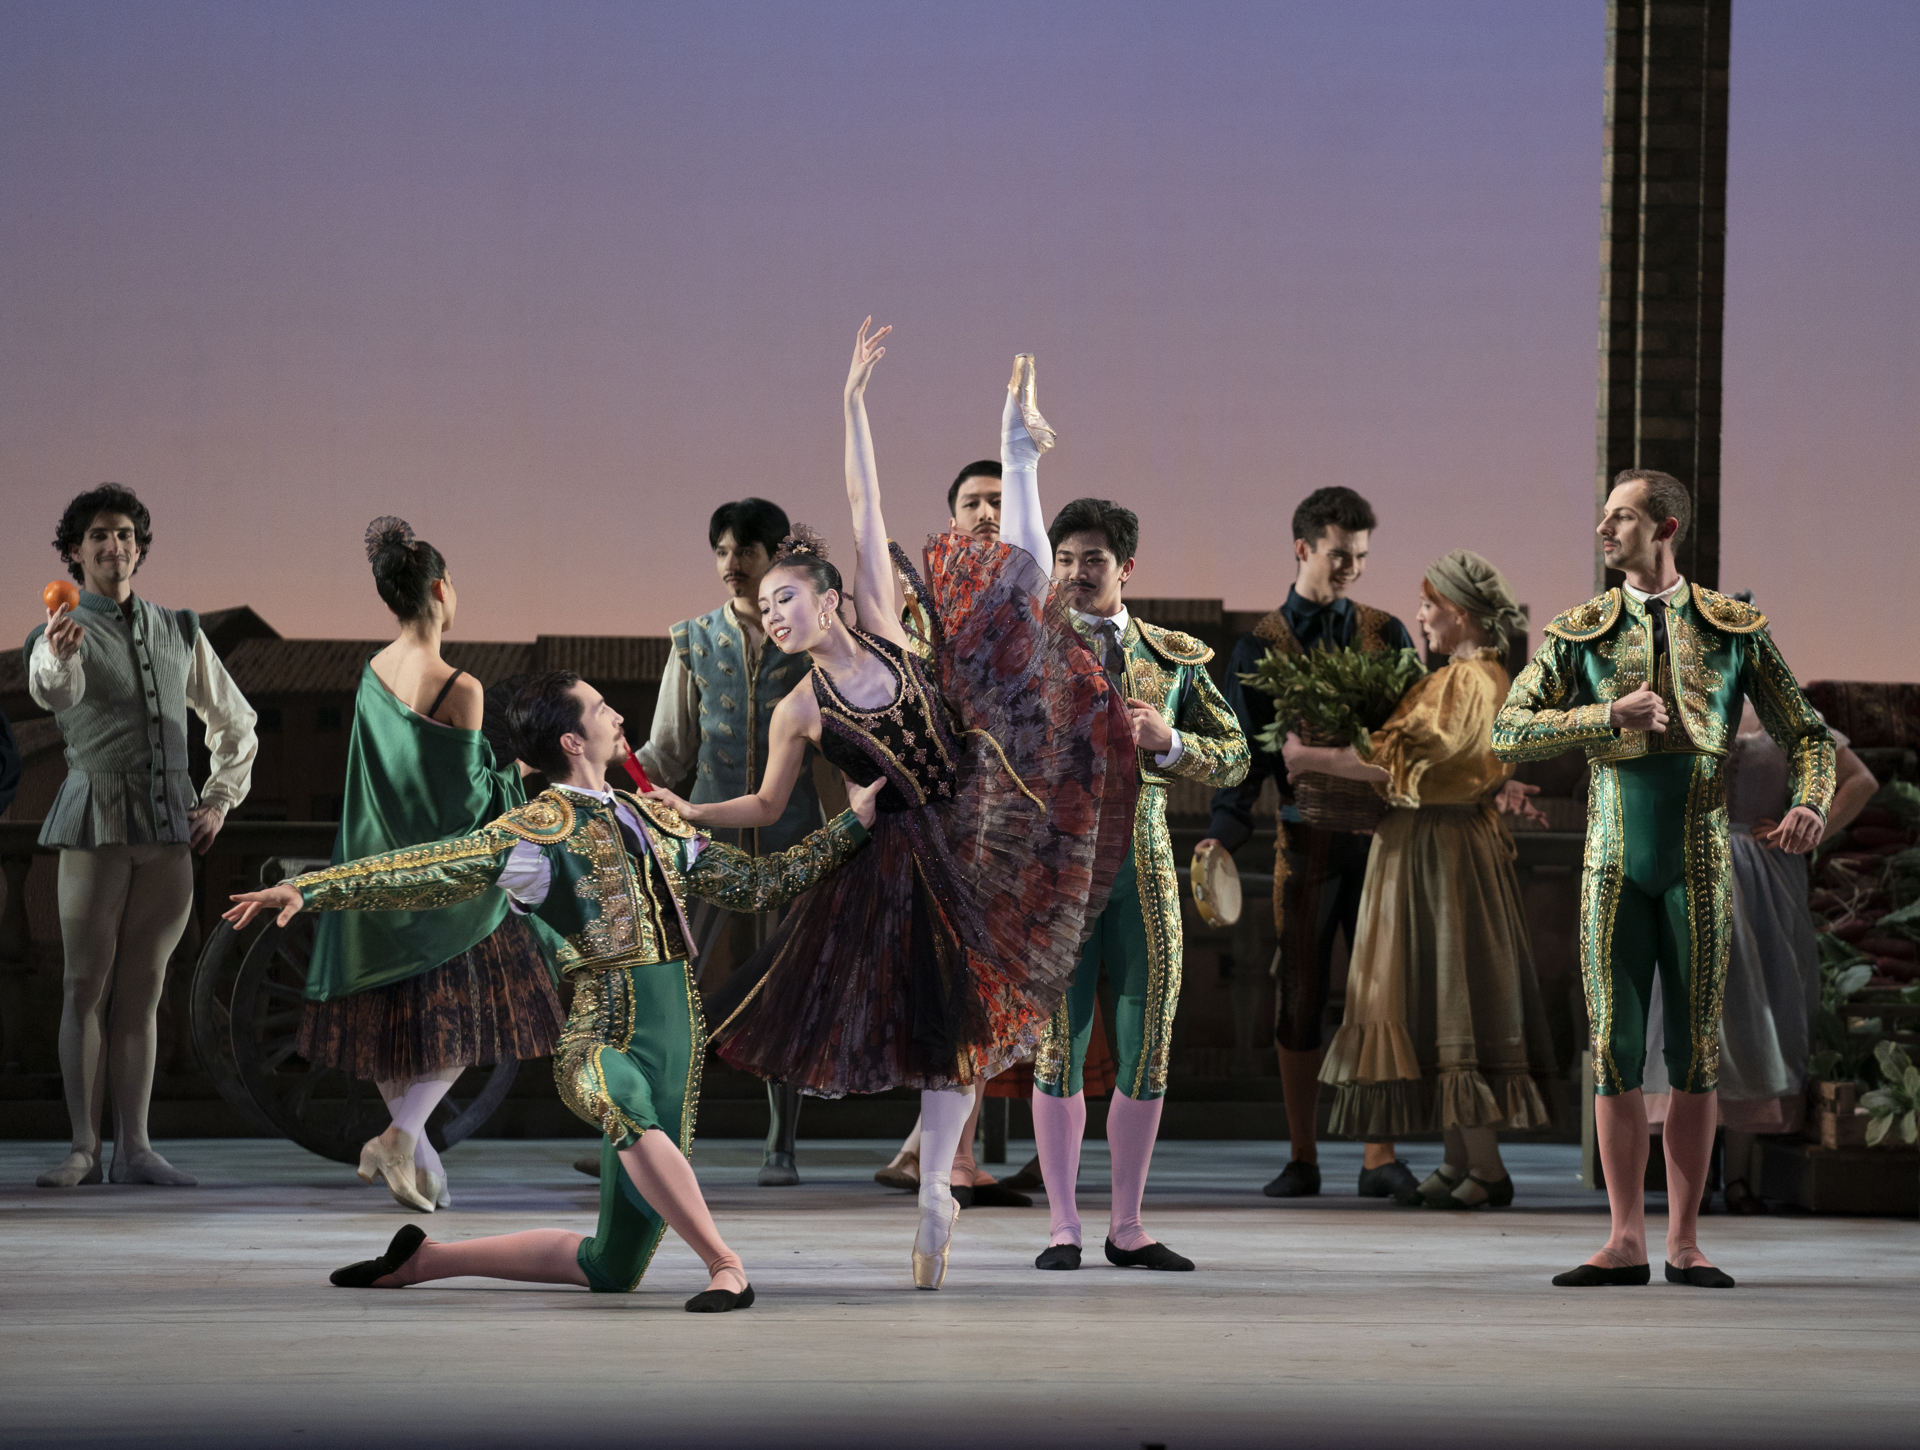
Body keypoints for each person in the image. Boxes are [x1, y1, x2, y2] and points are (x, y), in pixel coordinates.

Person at [665, 322, 1137, 1289]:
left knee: (1020, 605)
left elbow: (864, 497)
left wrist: (851, 403)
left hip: (976, 830)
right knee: (934, 1026)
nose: (775, 615)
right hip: (889, 865)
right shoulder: (797, 708)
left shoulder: (881, 626)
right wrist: (686, 813)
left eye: (787, 600)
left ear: (829, 600)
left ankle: (934, 1189)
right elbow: (761, 803)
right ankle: (932, 1184)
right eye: (766, 610)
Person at [224, 671, 882, 1311]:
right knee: (623, 1107)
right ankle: (726, 1265)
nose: (618, 716)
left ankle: (424, 1260)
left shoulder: (653, 819)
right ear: (571, 741)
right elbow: (430, 867)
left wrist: (852, 824)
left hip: (678, 1052)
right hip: (602, 1037)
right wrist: (309, 889)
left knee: (611, 1268)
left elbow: (758, 884)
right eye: (600, 709)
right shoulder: (536, 831)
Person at [1493, 468, 1834, 1288]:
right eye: (1605, 515)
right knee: (1612, 1045)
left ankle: (1683, 1241)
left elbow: (1810, 735)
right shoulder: (1580, 630)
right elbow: (1510, 728)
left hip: (1700, 860)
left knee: (1694, 1050)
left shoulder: (1732, 629)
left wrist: (1813, 802)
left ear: (1667, 528)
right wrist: (1604, 715)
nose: (1604, 529)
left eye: (1621, 516)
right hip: (1612, 861)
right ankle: (1623, 1239)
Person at [294, 518, 565, 1212]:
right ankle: (399, 1139)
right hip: (439, 883)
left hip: (373, 870)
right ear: (441, 589)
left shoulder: (371, 673)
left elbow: (382, 779)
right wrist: (516, 776)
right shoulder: (461, 687)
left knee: (390, 1030)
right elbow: (464, 805)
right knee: (470, 1018)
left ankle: (418, 1161)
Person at [1296, 551, 1558, 1208]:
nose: (1420, 616)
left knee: (1451, 993)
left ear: (1461, 612)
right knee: (1434, 992)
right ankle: (1457, 1159)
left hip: (1441, 852)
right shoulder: (1468, 677)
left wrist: (1312, 756)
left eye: (1429, 605)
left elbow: (1416, 758)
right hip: (1428, 845)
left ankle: (1489, 1170)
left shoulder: (1467, 680)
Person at [1028, 497, 1250, 1272]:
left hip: (1144, 869)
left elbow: (1235, 757)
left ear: (1126, 567)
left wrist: (1172, 741)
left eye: (1092, 560)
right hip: (1058, 871)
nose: (1076, 574)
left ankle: (1127, 1224)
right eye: (1065, 559)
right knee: (1058, 1047)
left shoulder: (1176, 656)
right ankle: (1062, 1226)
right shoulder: (1029, 648)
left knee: (1146, 1044)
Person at [26, 484, 258, 1188]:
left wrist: (218, 800)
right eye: (98, 535)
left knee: (144, 991)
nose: (114, 546)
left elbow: (234, 723)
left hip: (167, 830)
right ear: (75, 552)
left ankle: (137, 1149)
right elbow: (51, 692)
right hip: (95, 821)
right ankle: (81, 1148)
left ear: (139, 548)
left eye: (125, 534)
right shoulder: (58, 632)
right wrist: (59, 656)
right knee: (82, 987)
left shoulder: (179, 628)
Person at [1200, 487, 1421, 1201]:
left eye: (1360, 556)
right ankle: (1303, 1154)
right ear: (1303, 548)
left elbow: (1414, 736)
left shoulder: (1388, 634)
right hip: (1303, 840)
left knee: (1379, 997)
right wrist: (1222, 837)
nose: (1351, 568)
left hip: (1380, 838)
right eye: (1339, 554)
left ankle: (1378, 1152)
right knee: (1297, 996)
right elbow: (1242, 760)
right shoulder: (1257, 646)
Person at [629, 496, 822, 1188]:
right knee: (677, 987)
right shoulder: (692, 641)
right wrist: (607, 780)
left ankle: (782, 1142)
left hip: (790, 842)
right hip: (702, 849)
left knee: (781, 991)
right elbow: (668, 749)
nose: (731, 565)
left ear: (777, 556)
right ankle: (649, 1137)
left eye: (744, 550)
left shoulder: (809, 640)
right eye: (721, 551)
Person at [1642, 691, 1878, 1211]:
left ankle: (1739, 1177)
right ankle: (1693, 1179)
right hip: (1687, 868)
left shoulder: (1786, 710)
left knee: (1751, 1020)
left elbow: (1861, 780)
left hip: (1760, 881)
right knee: (1689, 1017)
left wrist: (1810, 826)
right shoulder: (1679, 696)